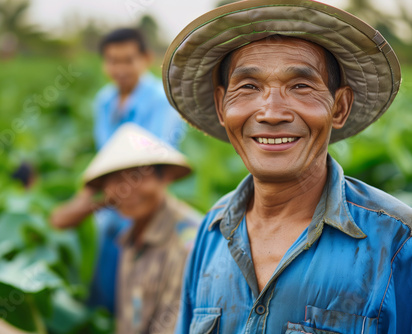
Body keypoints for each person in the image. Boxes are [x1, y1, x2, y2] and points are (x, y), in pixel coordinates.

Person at [161, 0, 411, 333]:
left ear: (339, 107)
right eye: (249, 86)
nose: (271, 112)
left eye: (300, 86)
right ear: (222, 106)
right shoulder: (210, 235)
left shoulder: (397, 241)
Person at [51, 28, 186, 312]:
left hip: (144, 200)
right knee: (103, 276)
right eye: (113, 61)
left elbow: (154, 161)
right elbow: (106, 157)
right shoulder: (104, 101)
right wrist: (86, 197)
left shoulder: (161, 101)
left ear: (146, 59)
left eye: (128, 60)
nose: (120, 69)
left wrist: (92, 203)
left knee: (145, 287)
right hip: (113, 203)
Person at [80, 123, 201, 334]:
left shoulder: (189, 243)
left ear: (163, 177)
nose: (128, 190)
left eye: (139, 176)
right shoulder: (128, 239)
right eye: (116, 179)